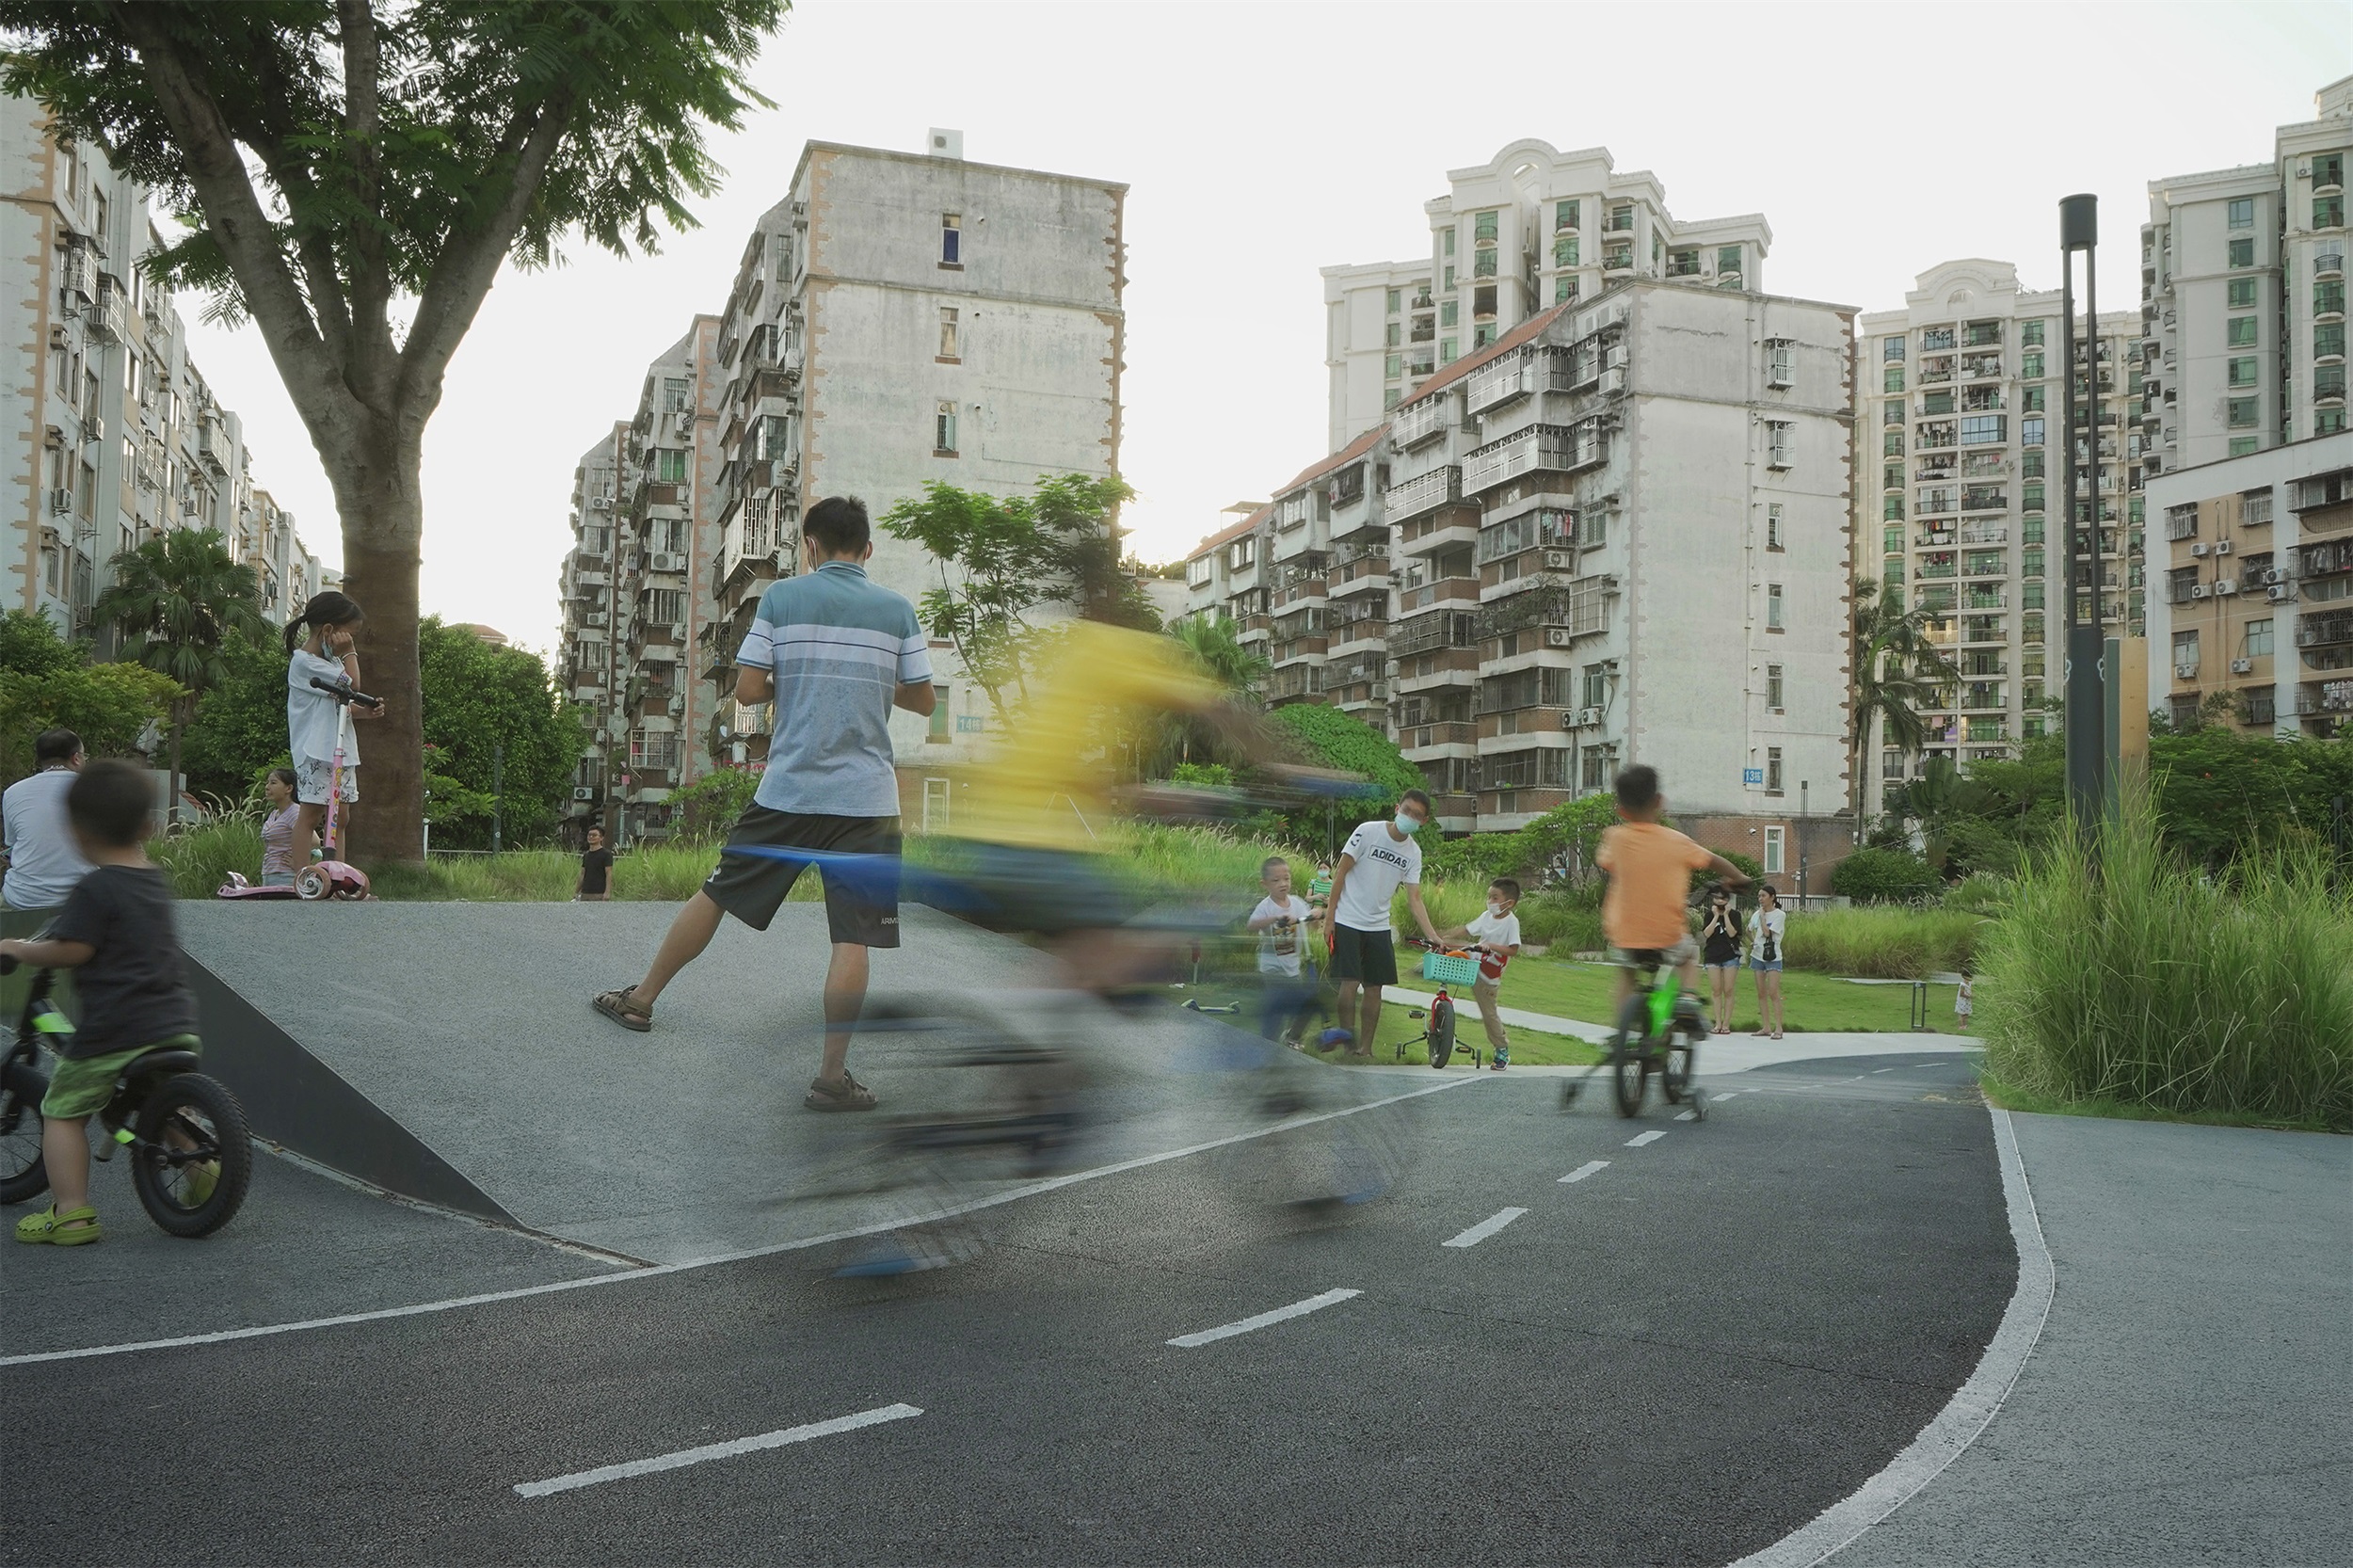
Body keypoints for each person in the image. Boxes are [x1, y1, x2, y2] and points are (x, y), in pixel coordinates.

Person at [591, 497, 934, 1113]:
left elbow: (748, 688)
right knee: (852, 939)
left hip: (790, 793)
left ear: (810, 546)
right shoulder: (897, 611)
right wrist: (869, 680)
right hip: (867, 803)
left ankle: (640, 1001)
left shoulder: (781, 598)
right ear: (868, 549)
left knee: (718, 892)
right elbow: (925, 701)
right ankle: (832, 1077)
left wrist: (800, 679)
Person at [1, 760, 206, 1245]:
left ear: (73, 829)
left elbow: (73, 949)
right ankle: (209, 1179)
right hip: (173, 1021)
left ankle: (71, 1213)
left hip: (117, 1028)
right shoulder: (153, 878)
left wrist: (20, 949)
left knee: (63, 1110)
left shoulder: (94, 887)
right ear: (148, 826)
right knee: (164, 1103)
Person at [1595, 765, 1752, 1021]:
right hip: (1667, 934)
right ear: (1659, 802)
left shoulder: (1614, 838)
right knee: (1689, 954)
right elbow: (1714, 860)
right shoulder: (1677, 841)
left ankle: (1621, 1033)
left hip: (1624, 933)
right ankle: (1688, 998)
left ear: (1621, 810)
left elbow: (1607, 861)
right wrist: (1739, 878)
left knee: (1626, 973)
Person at [1322, 791, 1444, 1063]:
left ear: (1423, 821)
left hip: (1378, 925)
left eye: (1416, 815)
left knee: (1375, 987)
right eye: (1407, 810)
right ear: (1397, 807)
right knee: (1350, 983)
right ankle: (1347, 1043)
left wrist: (1432, 935)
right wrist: (1330, 918)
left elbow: (1414, 898)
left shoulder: (1413, 852)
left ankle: (1366, 1048)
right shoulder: (1368, 832)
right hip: (1348, 919)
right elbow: (1340, 872)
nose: (1409, 817)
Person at [284, 590, 379, 860]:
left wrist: (364, 713)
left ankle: (337, 877)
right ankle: (304, 878)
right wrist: (350, 652)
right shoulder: (304, 662)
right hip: (315, 750)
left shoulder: (332, 662)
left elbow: (340, 704)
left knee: (342, 815)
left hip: (340, 748)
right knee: (312, 813)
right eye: (349, 635)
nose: (351, 641)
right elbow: (353, 684)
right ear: (328, 629)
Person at [2, 728, 91, 913]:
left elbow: (12, 844)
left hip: (20, 900)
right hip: (79, 903)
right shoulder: (96, 789)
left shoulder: (12, 792)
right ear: (76, 758)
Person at [1440, 876, 1521, 1070]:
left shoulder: (1511, 922)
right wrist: (1443, 936)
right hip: (1473, 964)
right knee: (1448, 951)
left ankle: (1502, 1049)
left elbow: (1513, 950)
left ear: (1509, 903)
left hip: (1489, 976)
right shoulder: (1486, 916)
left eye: (1495, 898)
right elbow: (1466, 930)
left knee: (1488, 1014)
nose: (1490, 901)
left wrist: (1491, 946)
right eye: (1489, 897)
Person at [1247, 856, 1321, 1047]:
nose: (1283, 884)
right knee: (1277, 1008)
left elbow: (1313, 925)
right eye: (1276, 880)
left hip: (1293, 968)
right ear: (1265, 884)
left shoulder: (1296, 903)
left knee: (1307, 1006)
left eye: (1286, 879)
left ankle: (1292, 1039)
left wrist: (1314, 916)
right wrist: (1273, 919)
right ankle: (1268, 1044)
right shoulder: (1265, 906)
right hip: (1272, 968)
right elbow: (1251, 925)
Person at [1698, 883, 1745, 1036]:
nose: (1719, 901)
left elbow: (1732, 934)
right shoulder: (1709, 915)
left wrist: (1725, 915)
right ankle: (1717, 1022)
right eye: (1716, 898)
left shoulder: (1735, 915)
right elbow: (1707, 933)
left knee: (1729, 990)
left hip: (1730, 955)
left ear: (1727, 899)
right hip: (1712, 955)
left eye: (1722, 898)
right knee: (1716, 990)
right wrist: (1716, 916)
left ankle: (1726, 1024)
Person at [1749, 883, 1787, 1040]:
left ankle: (1778, 1028)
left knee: (1773, 992)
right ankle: (1766, 1026)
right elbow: (1749, 929)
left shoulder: (1779, 915)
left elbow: (1767, 932)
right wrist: (1752, 941)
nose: (1761, 899)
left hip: (1772, 957)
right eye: (1759, 896)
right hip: (1758, 955)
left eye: (1763, 896)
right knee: (1761, 993)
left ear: (1772, 897)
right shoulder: (1756, 913)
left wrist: (1763, 917)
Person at [257, 767, 301, 888]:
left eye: (273, 783)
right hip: (269, 874)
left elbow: (314, 840)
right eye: (267, 782)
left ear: (289, 788)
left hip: (286, 876)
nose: (267, 787)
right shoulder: (274, 814)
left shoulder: (295, 812)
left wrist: (298, 862)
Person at [575, 825, 614, 903]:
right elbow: (583, 874)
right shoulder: (586, 855)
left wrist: (607, 892)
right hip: (585, 893)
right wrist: (576, 891)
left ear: (601, 838)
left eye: (594, 835)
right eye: (589, 835)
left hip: (599, 893)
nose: (591, 837)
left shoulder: (606, 854)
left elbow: (608, 873)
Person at [1955, 966, 1974, 1031]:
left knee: (1966, 1013)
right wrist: (1969, 996)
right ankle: (1962, 1025)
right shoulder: (1962, 985)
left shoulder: (1969, 984)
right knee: (1962, 1013)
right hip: (1963, 1000)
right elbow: (1961, 994)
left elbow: (1970, 990)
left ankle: (1965, 1024)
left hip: (1967, 1001)